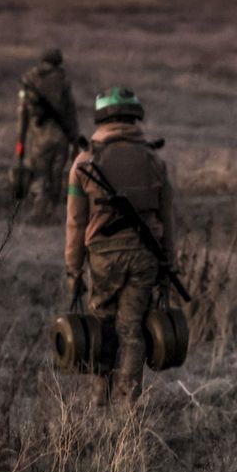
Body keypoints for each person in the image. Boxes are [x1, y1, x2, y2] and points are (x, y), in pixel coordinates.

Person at [65, 87, 175, 405]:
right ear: (134, 117)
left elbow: (75, 223)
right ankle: (127, 406)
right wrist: (171, 262)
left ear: (102, 117)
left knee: (101, 325)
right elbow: (168, 218)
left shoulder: (84, 162)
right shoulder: (155, 161)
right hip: (146, 257)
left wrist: (73, 270)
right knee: (132, 328)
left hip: (103, 258)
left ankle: (100, 398)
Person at [18, 48, 80, 221]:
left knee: (39, 173)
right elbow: (71, 112)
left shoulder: (29, 79)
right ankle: (51, 210)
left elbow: (23, 113)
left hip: (39, 136)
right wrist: (75, 139)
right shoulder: (63, 81)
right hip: (61, 137)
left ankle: (39, 209)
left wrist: (20, 142)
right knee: (56, 174)